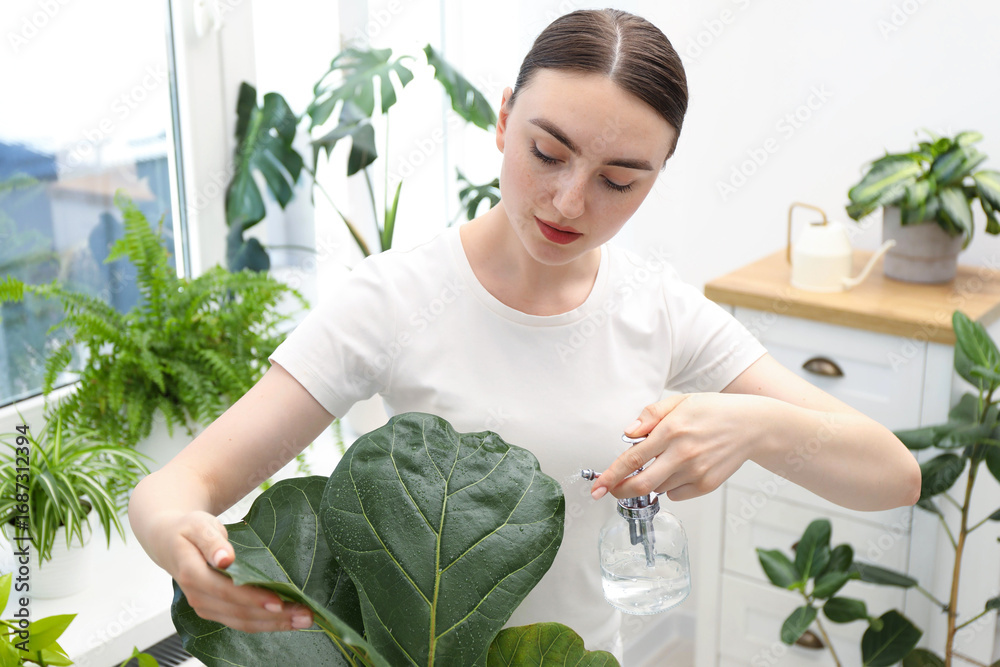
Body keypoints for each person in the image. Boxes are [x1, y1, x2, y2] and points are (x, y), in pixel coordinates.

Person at [128, 8, 921, 662]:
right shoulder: (395, 298)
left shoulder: (658, 309)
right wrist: (180, 541)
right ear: (504, 119)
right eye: (547, 152)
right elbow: (174, 489)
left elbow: (893, 475)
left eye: (618, 180)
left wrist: (755, 425)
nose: (570, 201)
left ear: (657, 176)